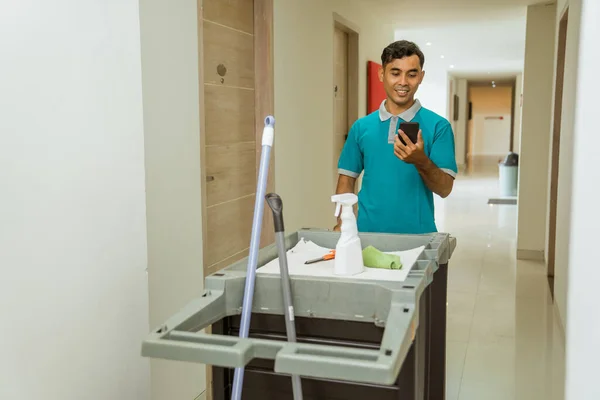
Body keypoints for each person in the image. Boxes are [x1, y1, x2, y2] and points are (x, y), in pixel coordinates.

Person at [334, 40, 458, 234]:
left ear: (421, 77)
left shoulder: (438, 126)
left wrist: (421, 161)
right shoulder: (361, 127)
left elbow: (444, 189)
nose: (403, 82)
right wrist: (343, 223)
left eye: (412, 74)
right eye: (395, 73)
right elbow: (346, 180)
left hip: (419, 237)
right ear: (382, 75)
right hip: (367, 235)